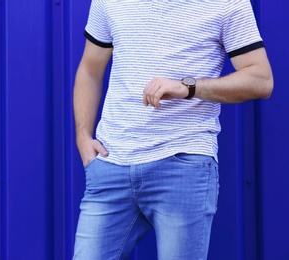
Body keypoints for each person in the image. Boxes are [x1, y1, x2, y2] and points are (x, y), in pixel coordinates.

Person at [72, 0, 273, 259]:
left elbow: (261, 79)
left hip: (182, 165)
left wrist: (189, 87)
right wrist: (82, 136)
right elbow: (90, 68)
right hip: (111, 166)